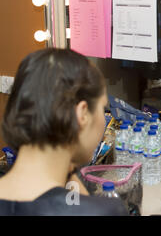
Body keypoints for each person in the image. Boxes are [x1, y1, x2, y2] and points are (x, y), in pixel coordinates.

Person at [0, 48, 128, 216]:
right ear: (82, 114)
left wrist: (66, 167)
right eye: (102, 108)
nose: (104, 118)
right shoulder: (103, 211)